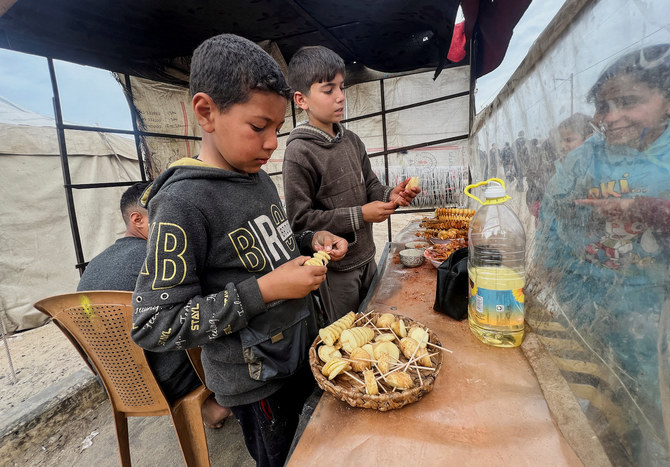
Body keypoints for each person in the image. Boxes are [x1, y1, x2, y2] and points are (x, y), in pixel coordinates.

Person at [130, 34, 348, 467]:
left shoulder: (257, 175)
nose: (272, 143)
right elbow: (155, 323)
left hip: (301, 355)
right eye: (258, 127)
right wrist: (264, 290)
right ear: (206, 112)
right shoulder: (182, 204)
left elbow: (274, 243)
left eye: (277, 129)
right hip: (257, 386)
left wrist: (311, 241)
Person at [536, 43, 670, 464]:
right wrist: (546, 273)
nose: (610, 117)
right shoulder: (584, 160)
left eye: (628, 102)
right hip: (583, 293)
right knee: (587, 381)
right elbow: (553, 216)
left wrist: (647, 207)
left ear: (666, 98)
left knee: (647, 399)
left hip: (651, 308)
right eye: (603, 106)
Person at [281, 45, 419, 323]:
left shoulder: (352, 140)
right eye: (328, 89)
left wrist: (391, 193)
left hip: (367, 257)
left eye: (342, 87)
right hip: (336, 271)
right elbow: (300, 221)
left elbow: (371, 186)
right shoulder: (299, 153)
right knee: (347, 335)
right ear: (301, 99)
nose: (341, 97)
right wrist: (361, 215)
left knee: (375, 324)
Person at [77, 182, 231, 429]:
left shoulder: (94, 266)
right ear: (137, 219)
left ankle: (205, 407)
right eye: (165, 217)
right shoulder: (160, 260)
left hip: (116, 385)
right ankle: (221, 402)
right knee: (222, 314)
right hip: (167, 381)